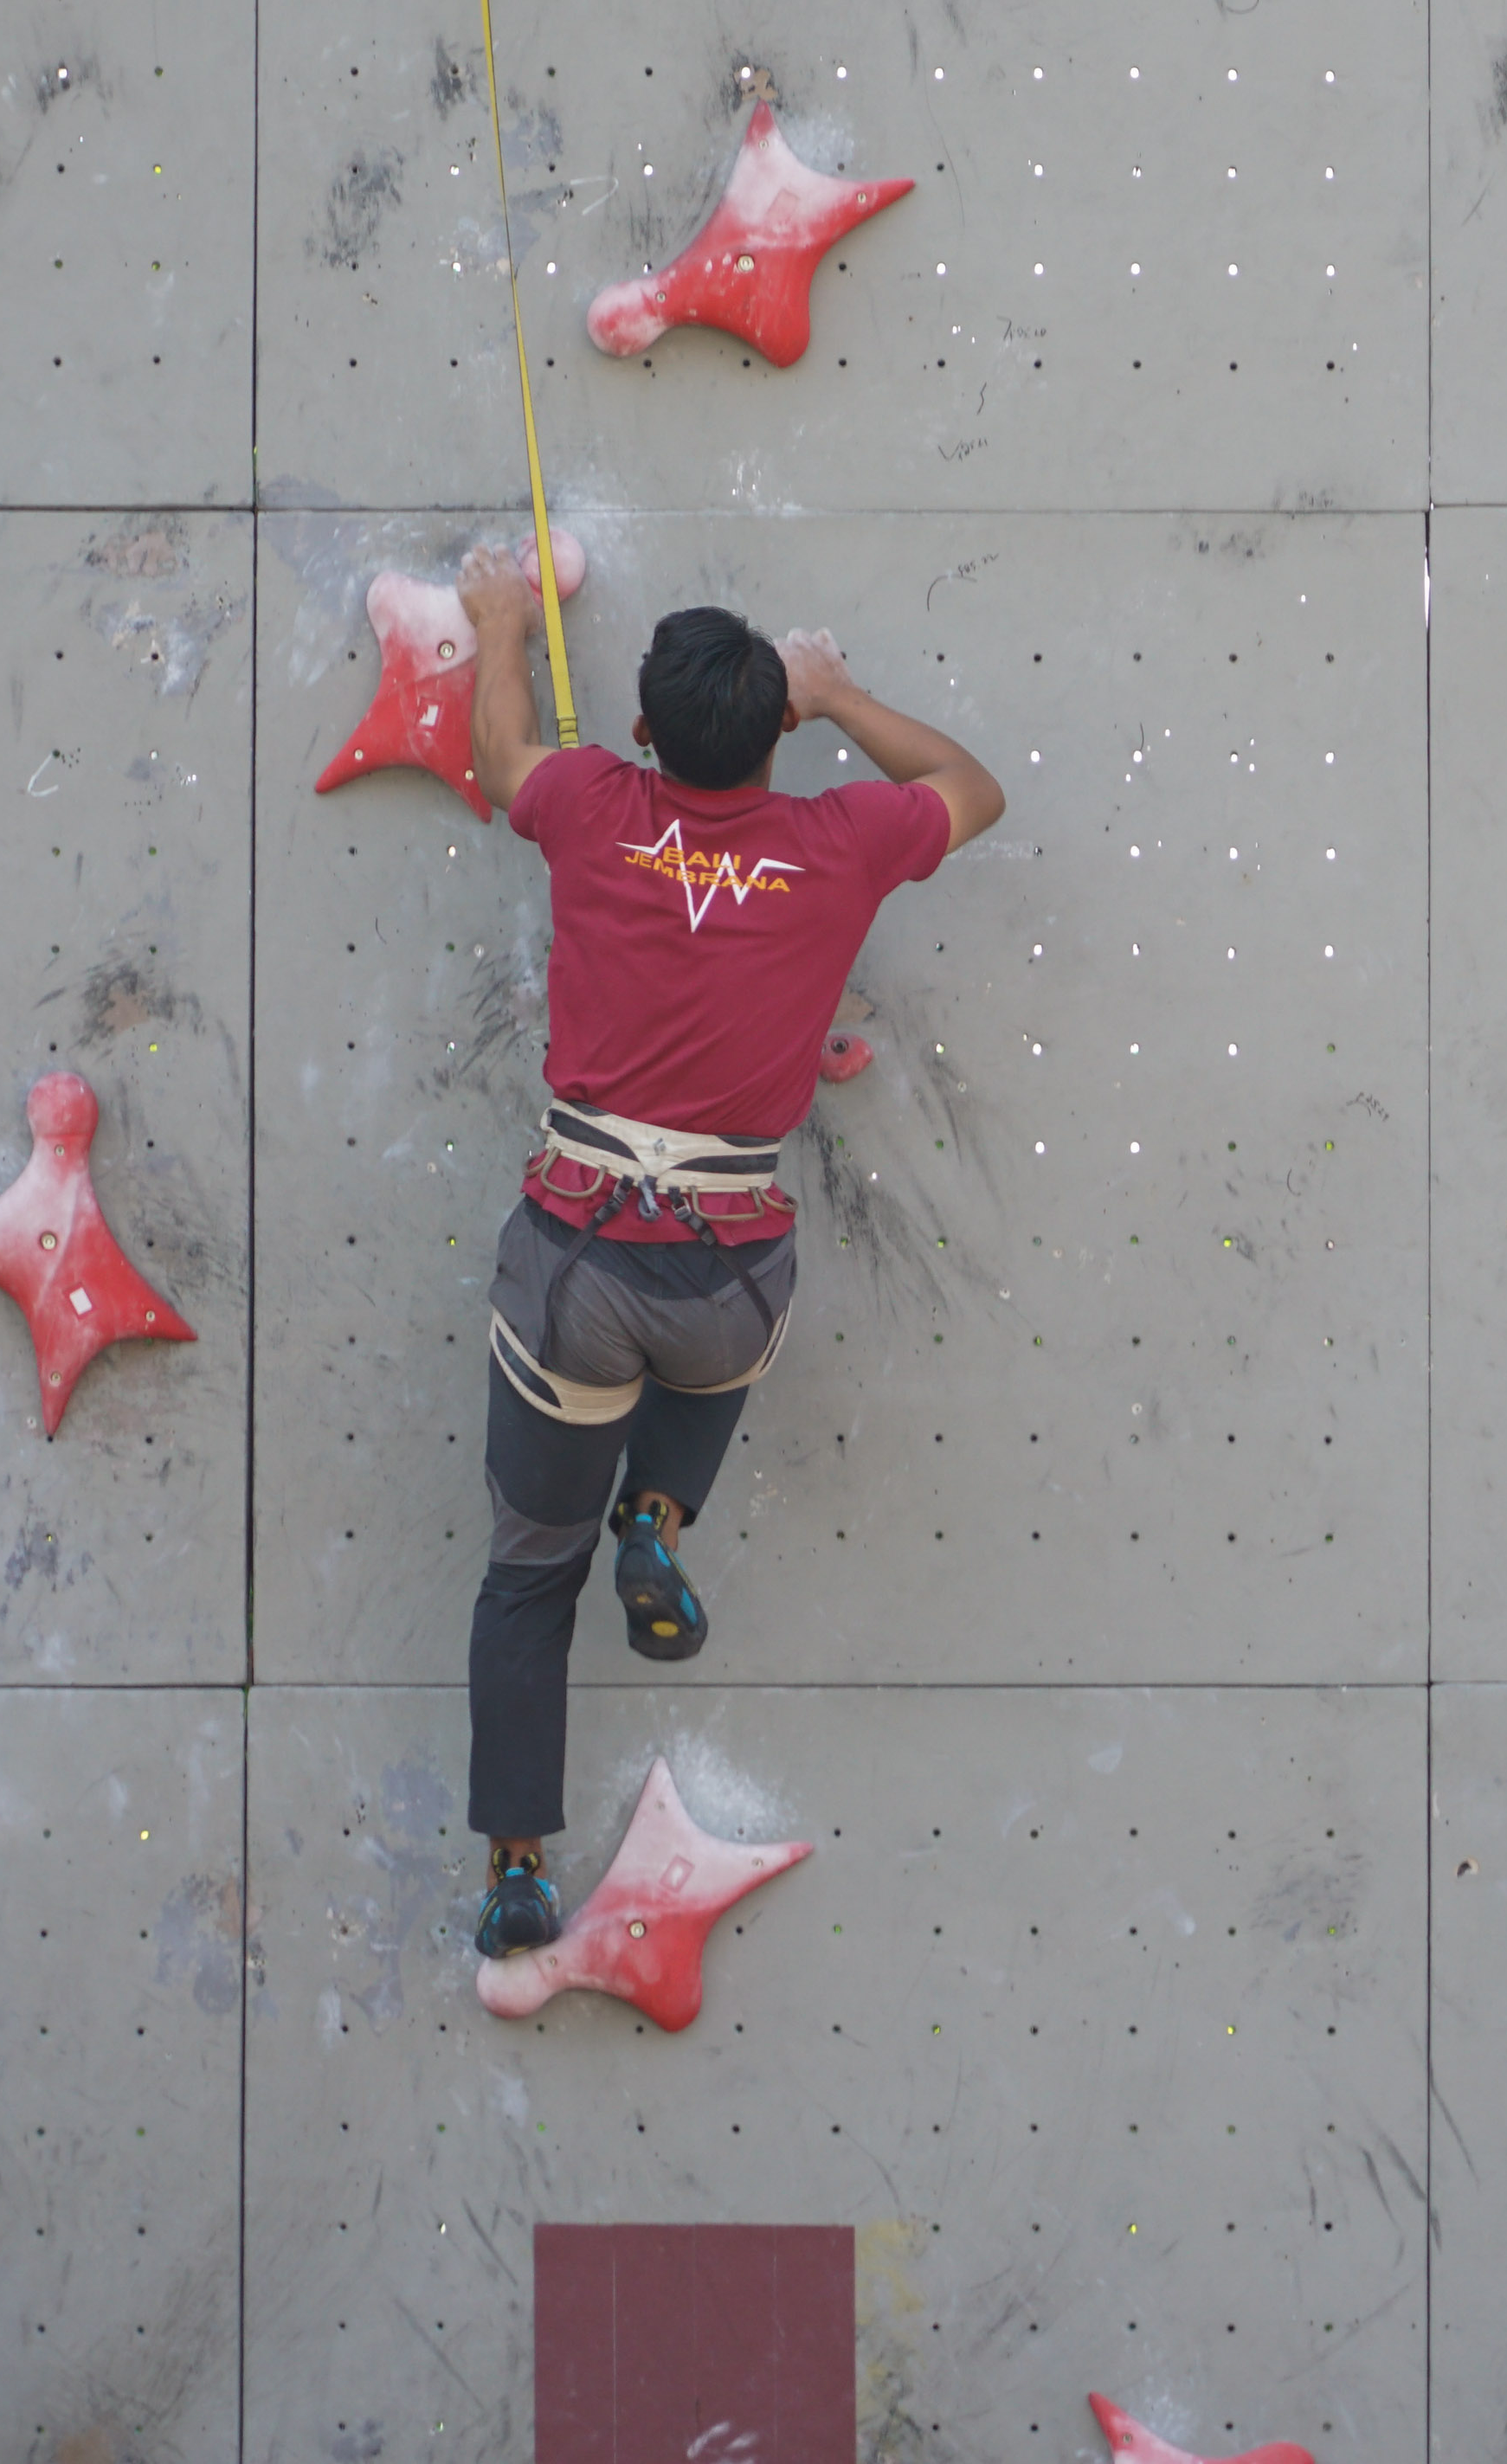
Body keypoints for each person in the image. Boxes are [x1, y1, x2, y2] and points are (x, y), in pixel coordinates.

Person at [448, 544, 1007, 1957]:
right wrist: (839, 692)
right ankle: (663, 1522)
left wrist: (502, 622)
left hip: (582, 1265)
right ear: (777, 736)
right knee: (704, 1368)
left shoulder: (588, 803)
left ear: (642, 731)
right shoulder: (841, 843)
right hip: (734, 1275)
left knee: (527, 1576)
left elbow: (504, 752)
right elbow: (973, 792)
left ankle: (518, 1870)